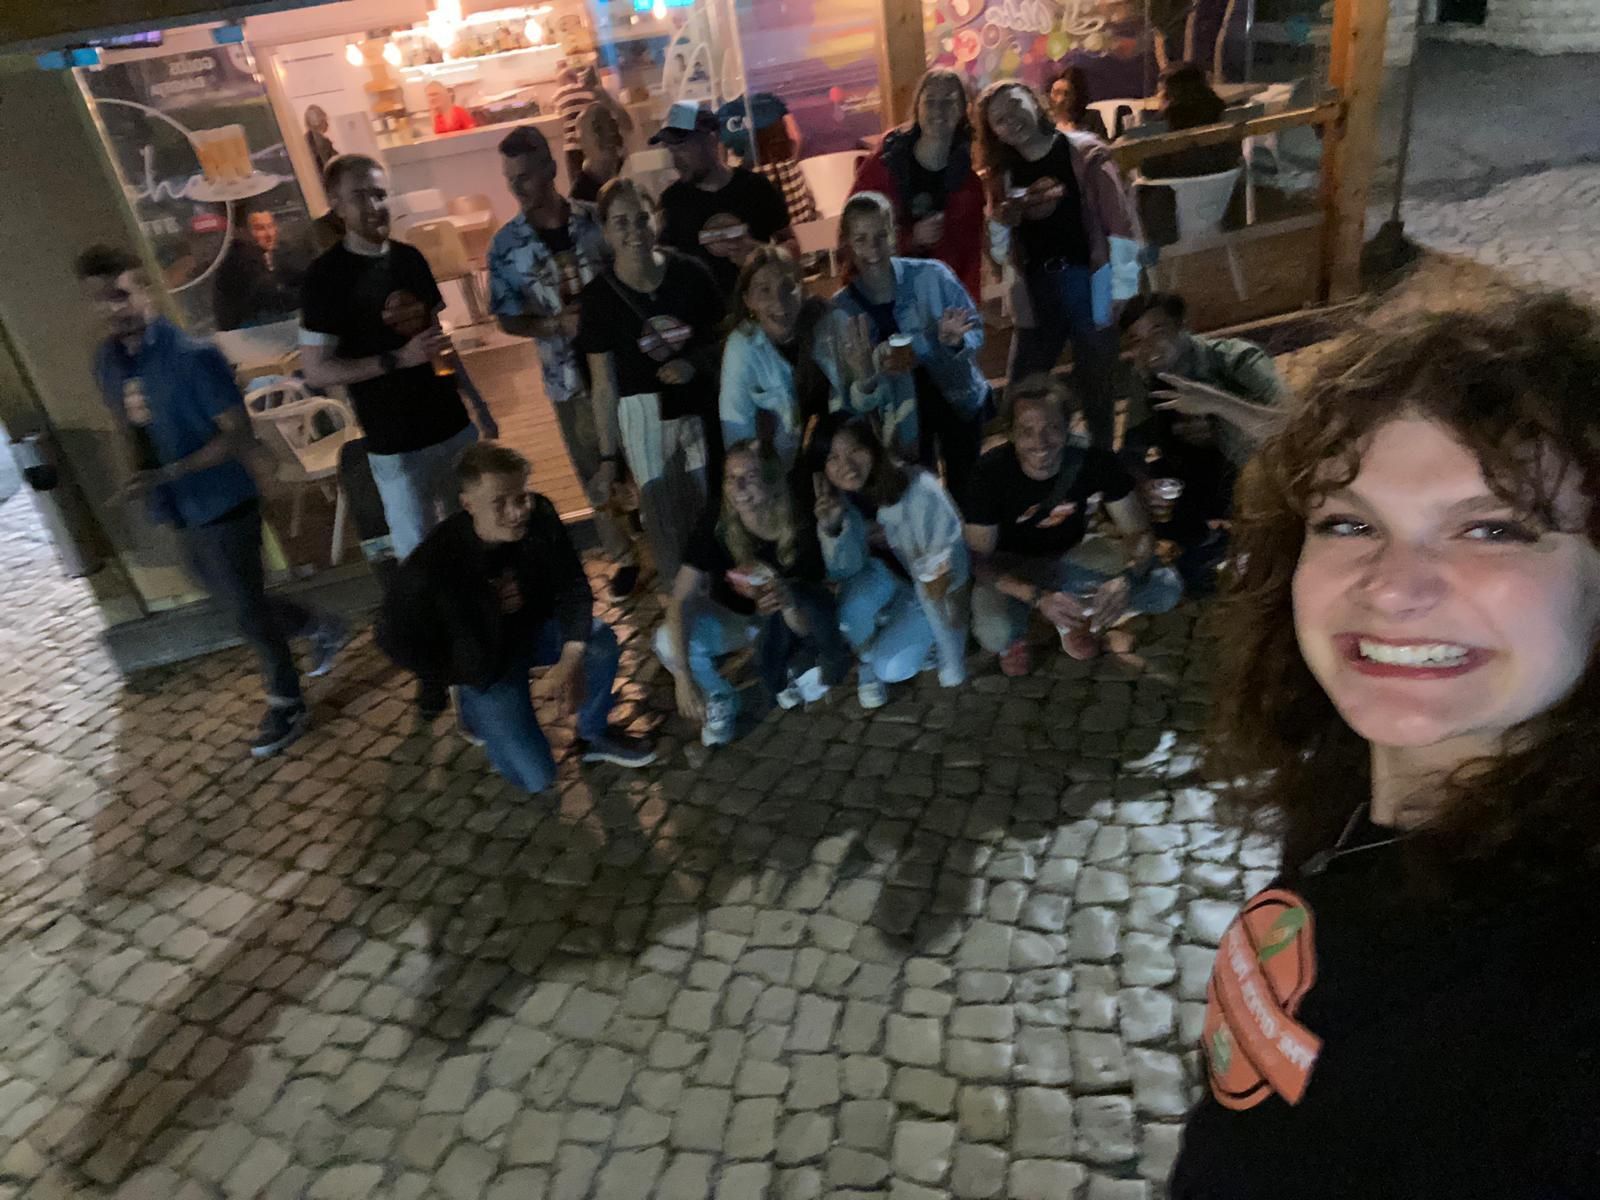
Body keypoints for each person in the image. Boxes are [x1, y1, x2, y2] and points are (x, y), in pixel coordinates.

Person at [1170, 295, 1600, 1198]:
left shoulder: (1555, 1000)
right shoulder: (1351, 799)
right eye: (1348, 523)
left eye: (1494, 527)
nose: (1395, 588)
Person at [77, 245, 344, 757]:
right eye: (99, 300)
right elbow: (124, 424)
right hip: (175, 504)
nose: (113, 309)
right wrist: (135, 474)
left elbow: (237, 434)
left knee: (244, 609)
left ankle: (287, 701)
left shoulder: (192, 358)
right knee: (227, 596)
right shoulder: (107, 363)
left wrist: (170, 472)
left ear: (145, 291)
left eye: (121, 294)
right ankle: (318, 624)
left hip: (222, 499)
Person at [299, 154, 485, 719]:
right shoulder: (325, 278)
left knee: (473, 543)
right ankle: (433, 669)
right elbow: (316, 369)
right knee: (419, 563)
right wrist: (393, 361)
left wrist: (478, 403)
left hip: (450, 426)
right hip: (394, 440)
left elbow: (436, 342)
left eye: (380, 194)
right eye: (359, 196)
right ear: (336, 205)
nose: (374, 206)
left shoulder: (410, 259)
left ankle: (482, 648)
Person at [376, 441, 655, 792]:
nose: (517, 511)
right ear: (468, 505)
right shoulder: (434, 562)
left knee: (598, 643)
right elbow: (391, 635)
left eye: (521, 496)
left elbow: (573, 586)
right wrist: (454, 672)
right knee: (537, 779)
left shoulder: (541, 515)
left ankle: (593, 733)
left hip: (536, 630)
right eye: (499, 503)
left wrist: (570, 659)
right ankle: (474, 705)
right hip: (487, 661)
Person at [488, 124, 640, 600]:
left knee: (638, 450)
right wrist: (554, 326)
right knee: (593, 466)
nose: (517, 187)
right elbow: (506, 318)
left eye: (526, 176)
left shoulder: (595, 220)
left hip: (623, 360)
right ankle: (623, 556)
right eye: (510, 178)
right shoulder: (505, 246)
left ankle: (656, 532)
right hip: (566, 374)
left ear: (551, 170)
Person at [964, 375, 1181, 675]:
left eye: (1051, 428)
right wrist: (1037, 598)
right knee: (996, 633)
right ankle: (1060, 618)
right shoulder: (989, 474)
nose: (1040, 443)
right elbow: (978, 562)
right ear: (1011, 433)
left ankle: (1080, 615)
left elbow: (1139, 531)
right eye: (1026, 431)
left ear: (1069, 426)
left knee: (1165, 587)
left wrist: (1126, 579)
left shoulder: (1093, 459)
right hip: (1012, 569)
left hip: (1072, 557)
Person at [577, 178, 726, 587]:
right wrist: (609, 459)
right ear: (605, 231)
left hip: (698, 403)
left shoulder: (690, 273)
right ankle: (681, 602)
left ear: (655, 221)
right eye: (620, 223)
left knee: (712, 501)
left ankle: (726, 592)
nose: (633, 233)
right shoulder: (598, 299)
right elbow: (603, 383)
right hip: (643, 412)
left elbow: (726, 335)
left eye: (641, 219)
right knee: (662, 513)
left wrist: (695, 363)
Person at [976, 81, 1136, 451]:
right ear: (993, 131)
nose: (1010, 120)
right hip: (1036, 290)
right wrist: (1000, 221)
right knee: (1021, 387)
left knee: (1097, 387)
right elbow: (999, 253)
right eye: (998, 119)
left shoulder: (1084, 153)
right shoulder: (1003, 175)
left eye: (1015, 105)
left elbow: (1121, 225)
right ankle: (1032, 470)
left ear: (1035, 102)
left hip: (1088, 280)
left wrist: (1122, 290)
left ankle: (1101, 469)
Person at [656, 440, 849, 745]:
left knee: (807, 618)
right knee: (667, 639)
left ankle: (803, 667)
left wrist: (785, 604)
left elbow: (811, 614)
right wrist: (682, 677)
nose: (738, 486)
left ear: (773, 483)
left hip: (793, 618)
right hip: (742, 620)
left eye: (751, 475)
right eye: (731, 478)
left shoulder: (801, 518)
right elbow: (681, 597)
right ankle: (719, 698)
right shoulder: (716, 521)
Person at [1118, 291, 1286, 593]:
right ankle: (1206, 541)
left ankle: (1254, 541)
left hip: (1257, 475)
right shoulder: (1145, 378)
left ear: (1183, 325)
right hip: (1196, 476)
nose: (1149, 347)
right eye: (1136, 340)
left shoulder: (1235, 359)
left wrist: (1214, 403)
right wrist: (1144, 485)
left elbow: (1291, 424)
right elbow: (1131, 451)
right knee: (1120, 490)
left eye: (1158, 330)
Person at [828, 191, 988, 500]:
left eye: (881, 236)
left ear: (894, 235)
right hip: (900, 419)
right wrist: (872, 371)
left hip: (955, 399)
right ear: (847, 244)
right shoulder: (842, 310)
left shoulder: (933, 275)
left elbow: (975, 330)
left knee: (968, 492)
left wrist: (955, 342)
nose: (872, 249)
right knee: (920, 496)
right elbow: (850, 390)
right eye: (860, 240)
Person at [813, 414, 970, 705]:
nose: (845, 466)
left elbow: (944, 581)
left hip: (933, 594)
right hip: (890, 581)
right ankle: (869, 660)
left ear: (872, 447)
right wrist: (833, 528)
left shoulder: (920, 490)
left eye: (854, 451)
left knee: (892, 668)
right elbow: (847, 570)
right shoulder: (845, 500)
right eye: (832, 457)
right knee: (850, 610)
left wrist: (953, 661)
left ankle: (923, 644)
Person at [850, 67, 986, 302]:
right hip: (881, 294)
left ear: (964, 109)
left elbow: (970, 257)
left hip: (938, 301)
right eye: (930, 101)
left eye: (949, 101)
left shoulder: (969, 186)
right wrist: (910, 239)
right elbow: (852, 232)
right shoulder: (884, 164)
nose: (939, 109)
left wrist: (967, 310)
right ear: (917, 107)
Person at [655, 100, 798, 299]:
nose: (676, 160)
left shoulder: (756, 187)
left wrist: (762, 253)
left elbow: (792, 247)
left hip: (762, 312)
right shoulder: (672, 202)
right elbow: (665, 268)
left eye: (682, 148)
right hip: (708, 320)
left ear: (710, 140)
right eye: (671, 150)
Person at [719, 246, 838, 468]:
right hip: (781, 472)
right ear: (748, 300)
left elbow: (857, 405)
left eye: (788, 287)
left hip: (839, 461)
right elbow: (737, 432)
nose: (779, 301)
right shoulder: (742, 347)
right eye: (764, 290)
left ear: (802, 289)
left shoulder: (829, 323)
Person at [717, 92, 818, 228]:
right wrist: (790, 162)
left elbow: (721, 157)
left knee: (766, 228)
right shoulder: (770, 100)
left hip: (751, 175)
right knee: (803, 225)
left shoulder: (725, 114)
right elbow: (795, 136)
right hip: (785, 167)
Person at [1141, 61, 1240, 179]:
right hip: (1219, 192)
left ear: (1169, 94)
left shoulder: (1166, 123)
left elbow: (1149, 169)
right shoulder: (1220, 113)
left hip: (1175, 193)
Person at [213, 207, 304, 331]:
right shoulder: (239, 259)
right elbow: (270, 298)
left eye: (271, 226)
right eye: (260, 228)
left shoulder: (275, 253)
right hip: (247, 335)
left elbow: (293, 274)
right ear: (241, 231)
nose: (269, 234)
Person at [553, 59, 634, 179]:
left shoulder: (559, 94)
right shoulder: (594, 92)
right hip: (602, 150)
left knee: (578, 182)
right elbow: (628, 125)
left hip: (573, 147)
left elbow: (557, 111)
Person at [571, 102, 626, 203]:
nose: (609, 132)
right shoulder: (580, 200)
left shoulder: (628, 174)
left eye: (612, 125)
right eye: (598, 128)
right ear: (582, 142)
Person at [1048, 66, 1110, 141]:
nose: (1061, 98)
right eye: (1054, 92)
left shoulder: (1092, 118)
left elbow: (1102, 146)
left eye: (1067, 93)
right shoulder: (1046, 121)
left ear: (1075, 96)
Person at [304, 104, 337, 177]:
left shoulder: (305, 140)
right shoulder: (322, 143)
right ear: (321, 121)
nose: (327, 123)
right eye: (325, 119)